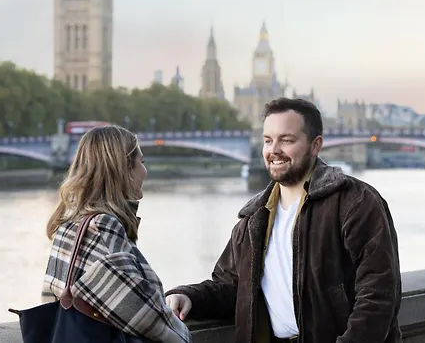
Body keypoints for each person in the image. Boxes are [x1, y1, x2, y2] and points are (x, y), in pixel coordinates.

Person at [166, 98, 402, 343]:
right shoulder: (254, 217)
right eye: (268, 140)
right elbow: (232, 287)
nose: (274, 150)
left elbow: (378, 297)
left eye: (287, 140)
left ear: (315, 145)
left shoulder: (356, 202)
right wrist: (189, 296)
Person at [42, 125, 191, 343]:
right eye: (141, 162)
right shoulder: (103, 226)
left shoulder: (68, 225)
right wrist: (183, 335)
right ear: (124, 170)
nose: (145, 171)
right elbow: (144, 315)